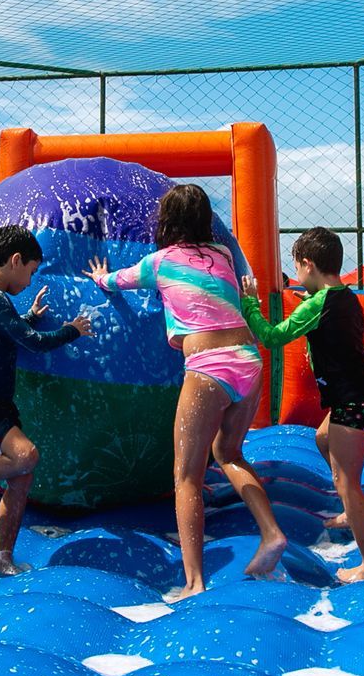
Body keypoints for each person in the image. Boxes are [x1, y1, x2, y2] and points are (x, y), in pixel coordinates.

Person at [87, 183, 286, 600]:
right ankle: (270, 534)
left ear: (167, 222)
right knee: (228, 454)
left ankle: (194, 582)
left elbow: (117, 281)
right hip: (249, 360)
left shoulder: (159, 263)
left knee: (186, 477)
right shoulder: (224, 255)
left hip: (208, 368)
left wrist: (99, 277)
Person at [241, 227, 364, 584]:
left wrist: (249, 304)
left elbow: (273, 337)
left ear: (307, 264)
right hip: (355, 394)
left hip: (352, 399)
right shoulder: (344, 296)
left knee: (348, 482)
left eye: (297, 267)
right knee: (323, 441)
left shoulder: (319, 305)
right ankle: (351, 509)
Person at [0, 225, 94, 575]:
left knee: (22, 475)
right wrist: (73, 329)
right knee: (26, 455)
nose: (29, 281)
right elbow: (33, 342)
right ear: (15, 261)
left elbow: (8, 334)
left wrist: (28, 317)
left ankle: (2, 557)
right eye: (30, 271)